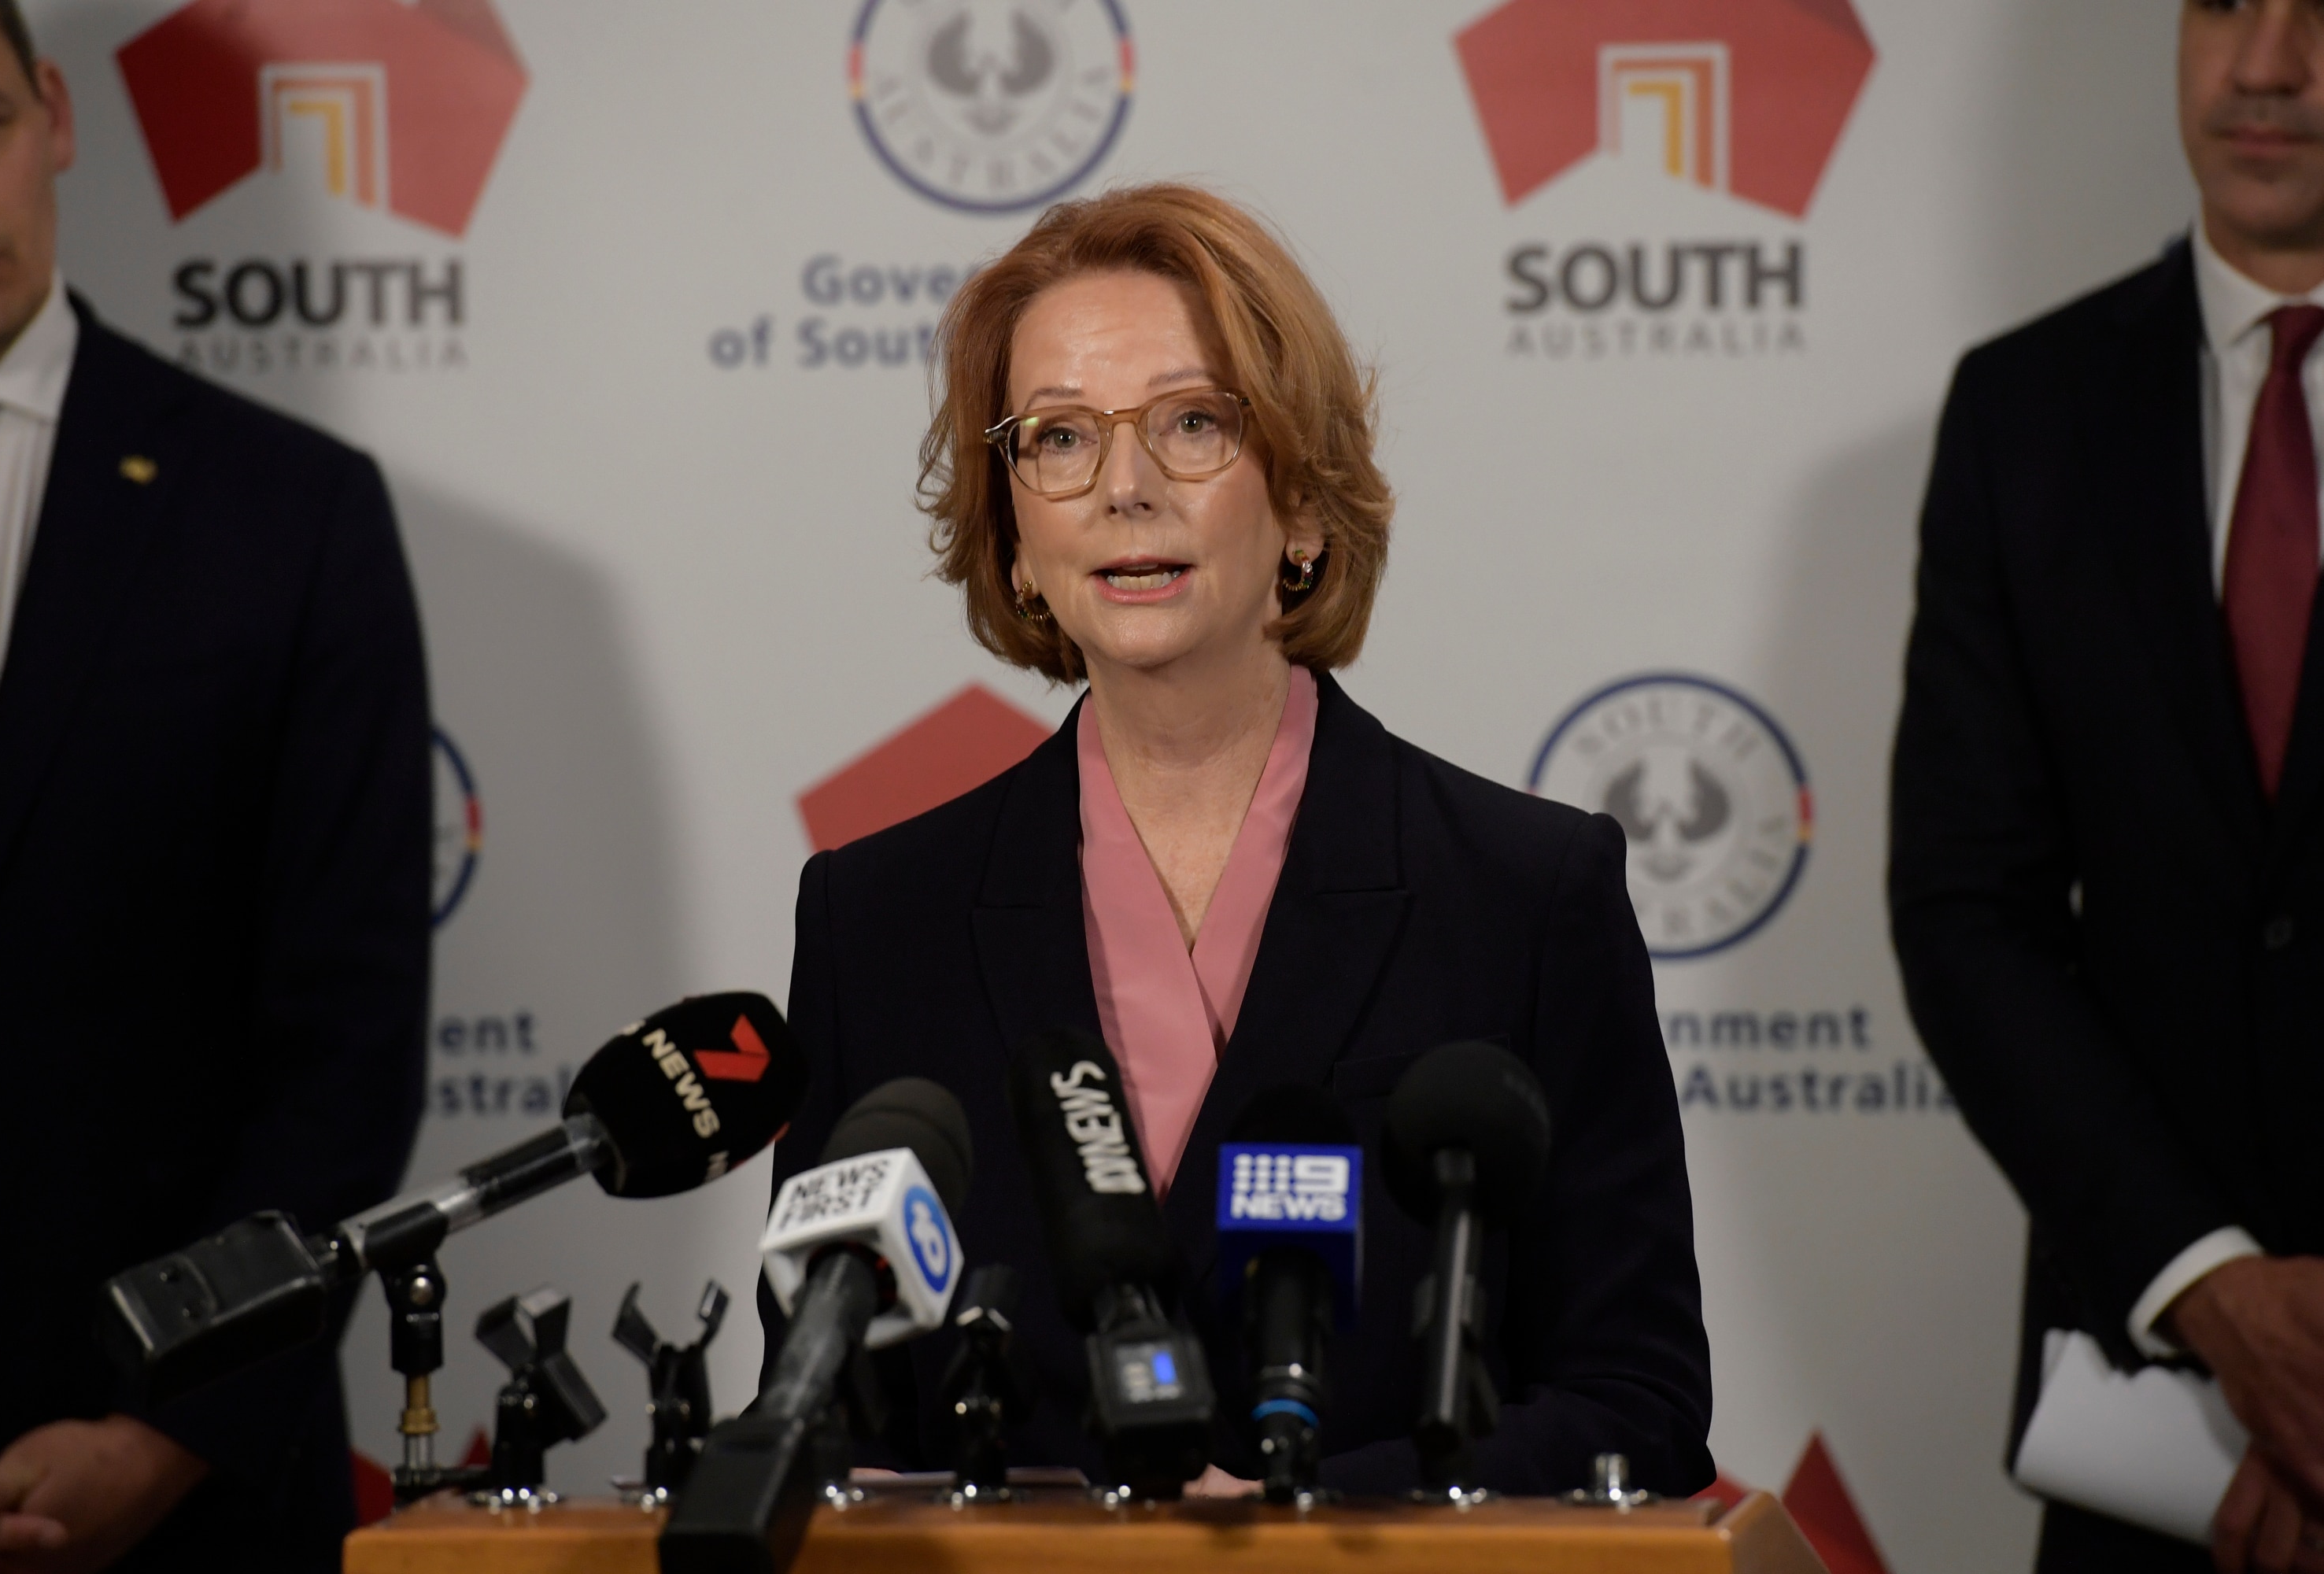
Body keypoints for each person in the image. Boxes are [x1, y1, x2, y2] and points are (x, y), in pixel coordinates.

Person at [765, 183, 1711, 1495]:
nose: (1125, 488)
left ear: (1307, 506)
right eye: (1059, 439)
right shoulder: (878, 919)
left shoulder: (1522, 894)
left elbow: (1638, 1404)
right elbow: (820, 1408)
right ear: (1015, 538)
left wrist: (1309, 1519)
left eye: (1193, 424)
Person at [0, 3, 431, 1569]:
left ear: (56, 115)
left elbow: (345, 1055)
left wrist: (171, 1431)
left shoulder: (288, 516)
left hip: (179, 1510)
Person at [1890, 3, 2324, 1570]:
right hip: (2157, 1441)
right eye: (2223, 1)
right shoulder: (2025, 415)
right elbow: (1968, 910)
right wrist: (2215, 1289)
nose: (2265, 67)